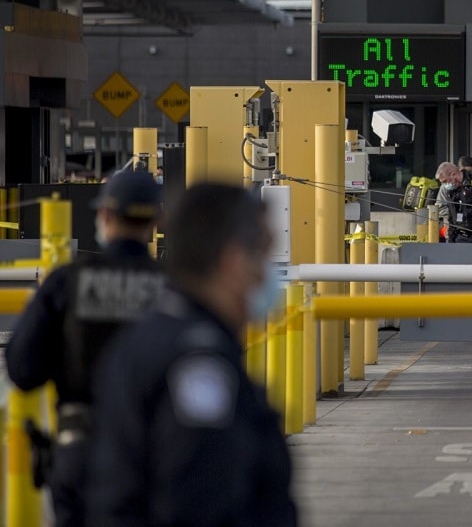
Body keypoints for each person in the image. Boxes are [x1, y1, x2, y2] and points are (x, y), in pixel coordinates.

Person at [88, 183, 297, 527]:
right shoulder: (199, 363)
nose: (268, 272)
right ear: (234, 263)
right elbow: (199, 497)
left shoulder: (154, 334)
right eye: (264, 254)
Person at [5, 170, 165, 527]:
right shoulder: (173, 291)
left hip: (82, 452)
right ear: (155, 222)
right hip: (156, 459)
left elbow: (22, 368)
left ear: (104, 216)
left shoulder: (67, 282)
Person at [436, 160, 472, 243]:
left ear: (453, 174)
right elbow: (452, 217)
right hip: (461, 236)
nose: (445, 185)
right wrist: (451, 239)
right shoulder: (451, 192)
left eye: (445, 181)